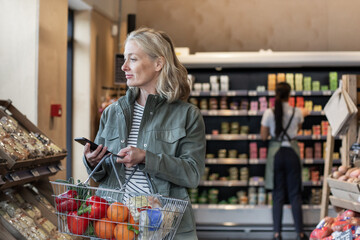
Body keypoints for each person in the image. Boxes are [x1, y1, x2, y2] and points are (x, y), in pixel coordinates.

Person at [83, 27, 206, 239]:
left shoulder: (187, 115)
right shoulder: (113, 112)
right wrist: (92, 161)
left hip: (161, 227)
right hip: (114, 223)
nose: (124, 67)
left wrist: (146, 158)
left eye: (133, 59)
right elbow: (102, 174)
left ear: (158, 63)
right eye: (125, 59)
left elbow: (192, 174)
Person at [260, 82, 308, 240]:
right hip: (292, 153)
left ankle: (276, 233)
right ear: (290, 95)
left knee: (277, 195)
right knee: (295, 194)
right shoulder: (297, 111)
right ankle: (300, 233)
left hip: (276, 154)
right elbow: (298, 129)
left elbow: (263, 136)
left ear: (276, 94)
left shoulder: (269, 112)